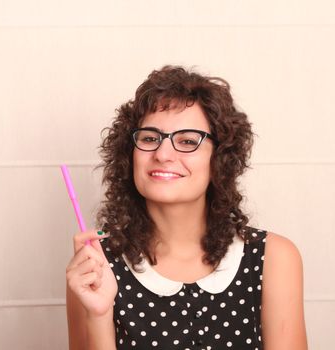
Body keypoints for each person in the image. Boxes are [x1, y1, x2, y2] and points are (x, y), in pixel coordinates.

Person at [65, 66, 307, 349]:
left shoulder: (274, 258)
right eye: (149, 138)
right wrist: (99, 315)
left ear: (220, 159)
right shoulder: (94, 265)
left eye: (188, 141)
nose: (163, 154)